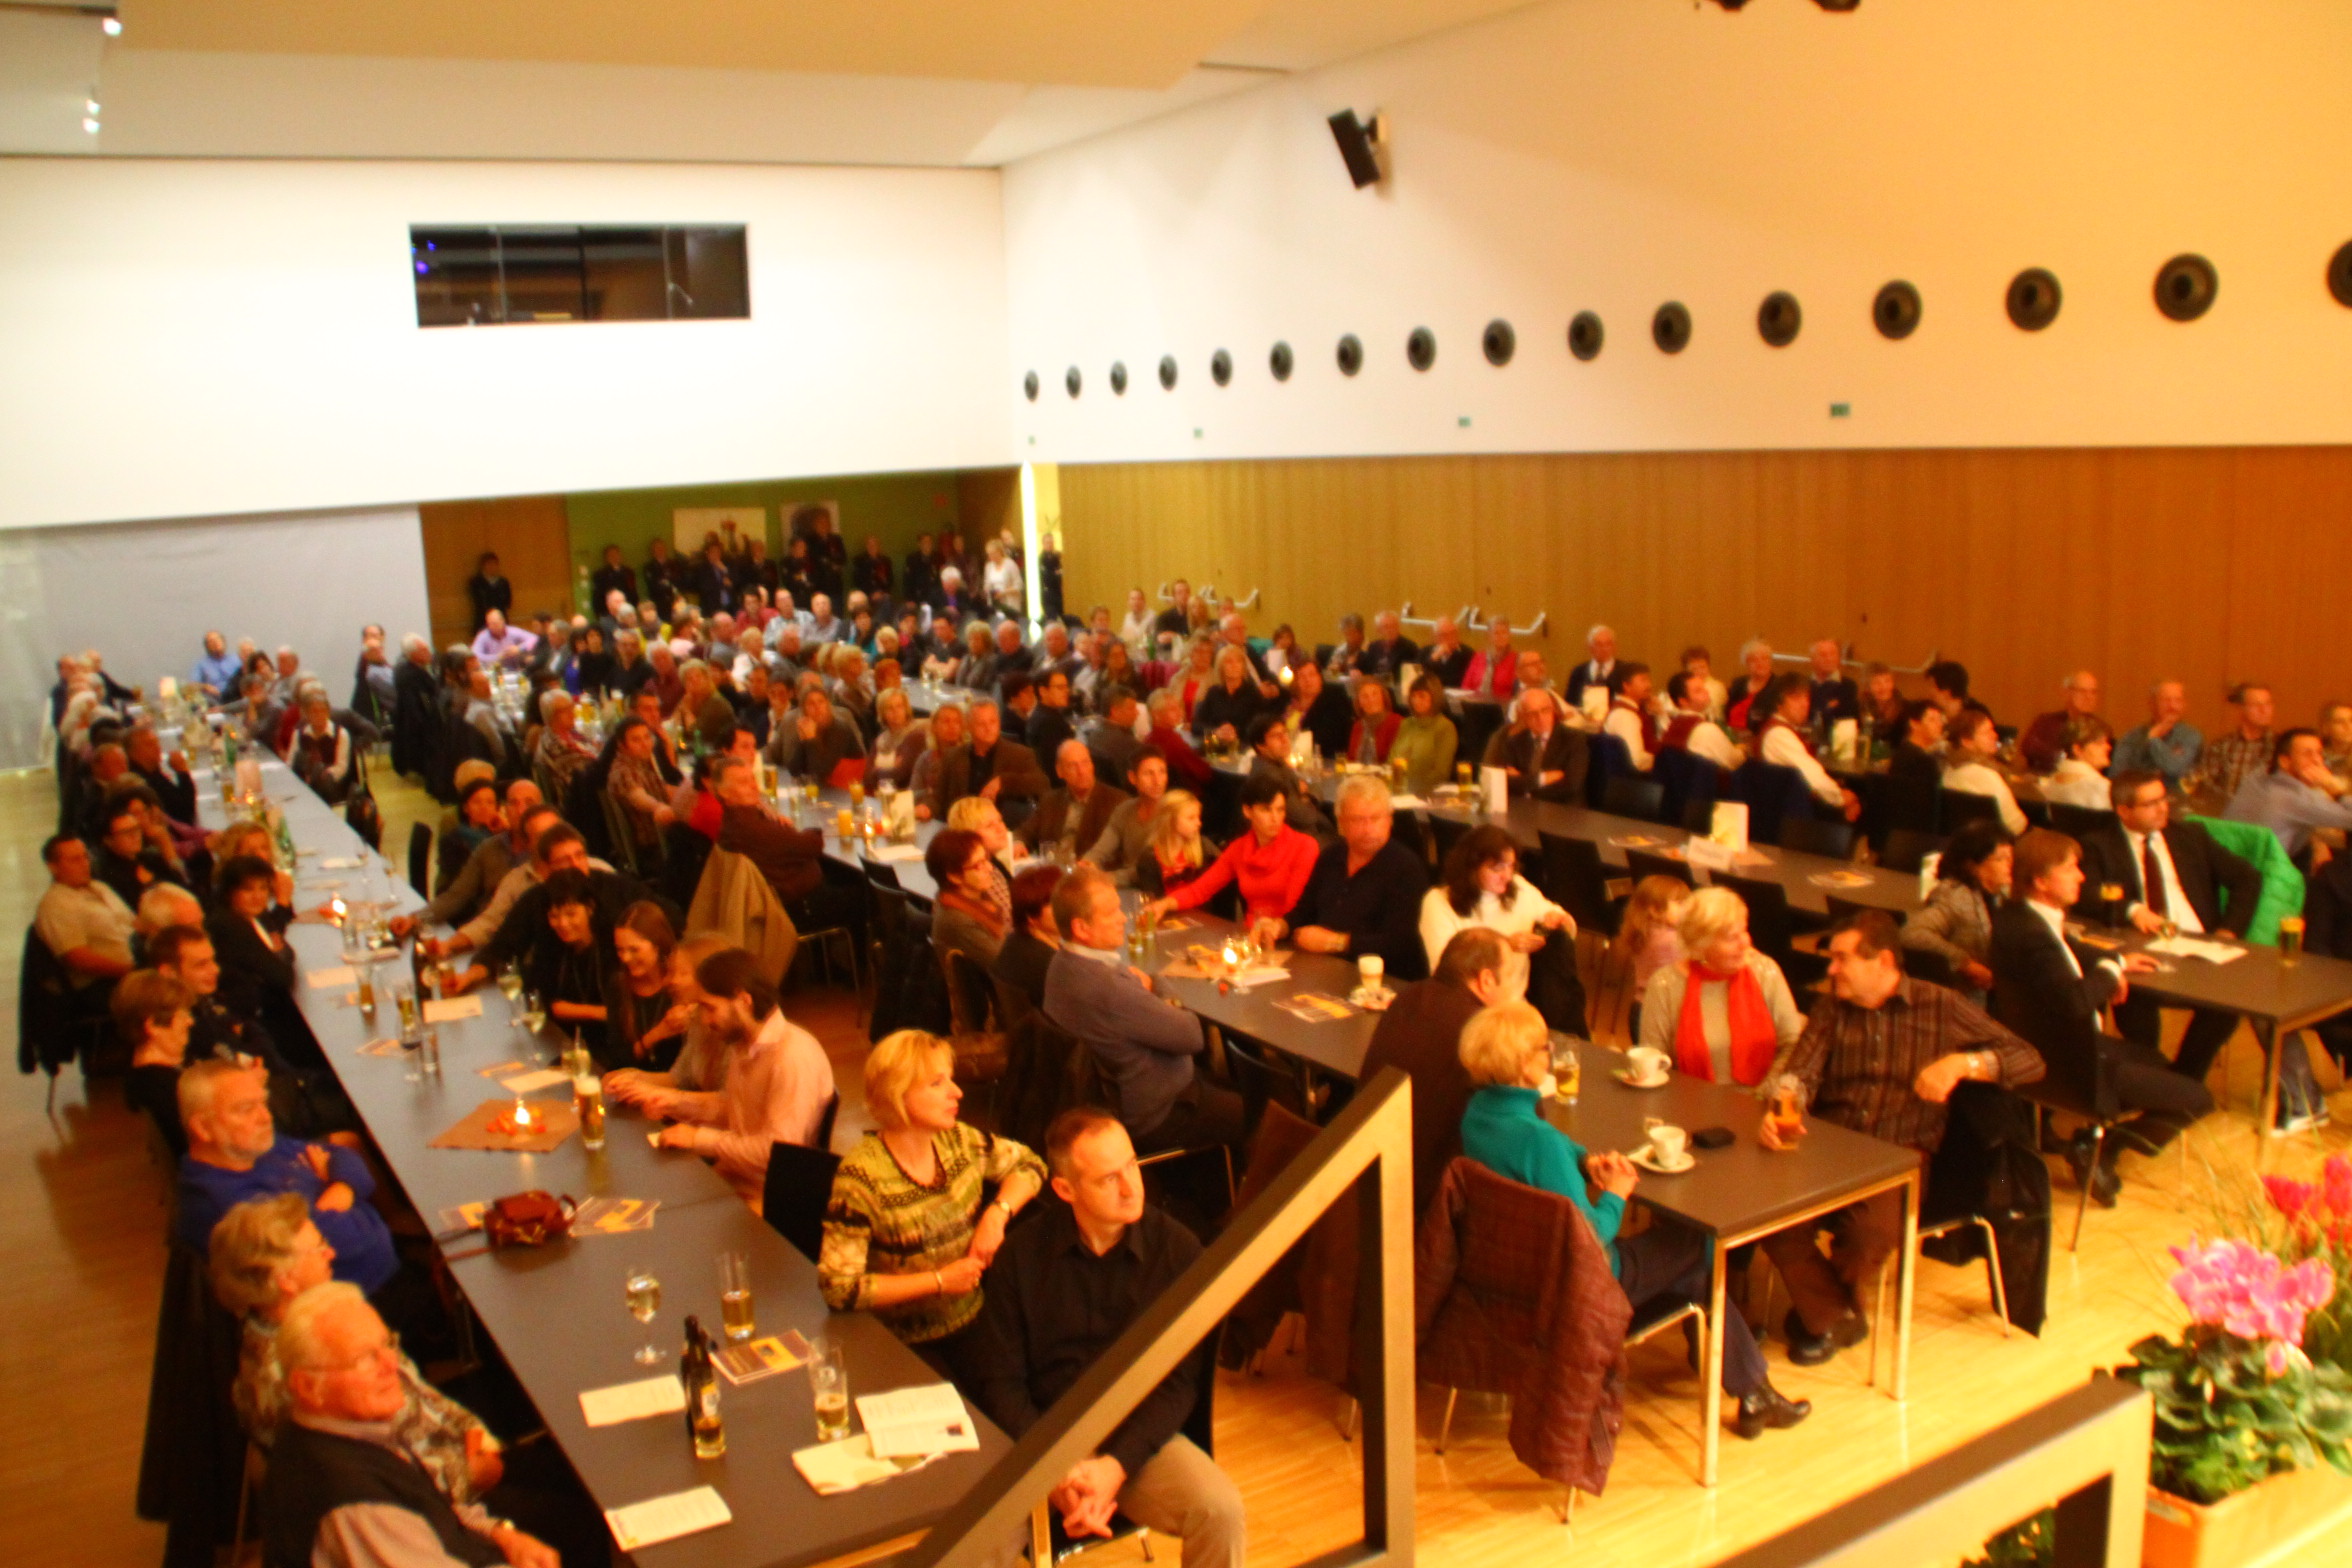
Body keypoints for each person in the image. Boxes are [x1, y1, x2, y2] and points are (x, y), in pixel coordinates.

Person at [1457, 1002, 1810, 1438]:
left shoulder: (1478, 1116)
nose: (1549, 1053)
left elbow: (1541, 1152)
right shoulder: (1537, 1140)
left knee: (1689, 1271)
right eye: (1543, 1047)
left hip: (1514, 1280)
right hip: (1578, 1284)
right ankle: (1742, 1377)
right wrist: (1616, 1194)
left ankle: (1746, 1382)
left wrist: (1584, 1161)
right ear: (1521, 1064)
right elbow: (1591, 1235)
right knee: (1698, 1247)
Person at [964, 1107, 1245, 1568]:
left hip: (1133, 1439)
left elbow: (1178, 1384)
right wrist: (1053, 1470)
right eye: (1109, 1178)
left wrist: (1115, 1468)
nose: (1132, 1187)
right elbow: (1001, 1384)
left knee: (1221, 1512)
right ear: (1065, 1190)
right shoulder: (1021, 1257)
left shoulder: (1178, 1252)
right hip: (1037, 1440)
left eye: (1131, 1165)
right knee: (971, 1548)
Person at [1759, 914, 2045, 1364]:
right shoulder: (1832, 1008)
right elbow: (1801, 1073)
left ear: (1883, 961)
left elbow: (2029, 1059)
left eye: (1841, 959)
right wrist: (1783, 1107)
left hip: (1898, 1155)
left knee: (1868, 1236)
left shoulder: (1940, 1006)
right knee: (1771, 1221)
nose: (1831, 969)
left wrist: (1963, 1065)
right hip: (1830, 1145)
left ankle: (1820, 1312)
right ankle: (1833, 1316)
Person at [259, 1283, 564, 1568]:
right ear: (309, 1387)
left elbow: (433, 1511)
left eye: (387, 1344)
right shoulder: (357, 1503)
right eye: (365, 1358)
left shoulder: (339, 1428)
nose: (391, 1365)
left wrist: (501, 1534)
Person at [1991, 830, 2220, 1199]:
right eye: (2070, 869)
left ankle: (2095, 1141)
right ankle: (2103, 1147)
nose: (2082, 877)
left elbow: (2067, 949)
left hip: (2047, 1053)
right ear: (2041, 881)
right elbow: (2075, 1001)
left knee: (2161, 1066)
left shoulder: (2018, 917)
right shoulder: (2033, 936)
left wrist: (2116, 960)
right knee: (2198, 1099)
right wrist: (2111, 974)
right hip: (2073, 1066)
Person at [819, 1029, 1047, 1375]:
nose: (957, 1092)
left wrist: (997, 1214)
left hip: (975, 1321)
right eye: (937, 1083)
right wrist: (938, 1281)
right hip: (903, 1344)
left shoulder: (958, 1140)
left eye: (950, 1079)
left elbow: (1030, 1165)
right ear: (898, 1094)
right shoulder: (861, 1178)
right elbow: (839, 1288)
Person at [1047, 868, 1245, 1155]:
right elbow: (1192, 1036)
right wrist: (1157, 985)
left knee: (1225, 1084)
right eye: (1111, 913)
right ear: (1081, 928)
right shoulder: (1109, 987)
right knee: (1252, 1109)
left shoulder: (1060, 965)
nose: (1123, 918)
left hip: (1107, 1099)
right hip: (1155, 1112)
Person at [174, 1060, 406, 1304]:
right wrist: (335, 1185)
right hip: (357, 1302)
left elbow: (344, 1154)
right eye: (246, 1109)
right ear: (203, 1127)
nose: (265, 1117)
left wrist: (341, 1189)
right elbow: (355, 1238)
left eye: (263, 1103)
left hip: (385, 1265)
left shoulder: (250, 1148)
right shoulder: (229, 1204)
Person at [640, 948, 835, 1205]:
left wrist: (698, 1139)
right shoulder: (744, 1044)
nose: (705, 1019)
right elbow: (736, 1108)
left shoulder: (791, 1057)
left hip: (771, 1195)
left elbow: (778, 1153)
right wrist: (673, 1103)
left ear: (744, 1000)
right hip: (738, 1175)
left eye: (710, 1008)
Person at [1359, 929, 1510, 1215]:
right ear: (1487, 980)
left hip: (1367, 1174)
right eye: (1511, 977)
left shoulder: (1407, 996)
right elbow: (1522, 1115)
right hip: (1429, 1202)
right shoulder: (1480, 1032)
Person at [1268, 775, 1430, 979]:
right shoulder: (1331, 856)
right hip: (1324, 969)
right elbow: (1305, 911)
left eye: (1376, 818)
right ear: (1341, 823)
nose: (1368, 829)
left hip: (1382, 979)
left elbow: (1402, 944)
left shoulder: (1406, 868)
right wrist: (1280, 926)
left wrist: (1336, 942)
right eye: (1357, 820)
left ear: (1390, 820)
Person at [1638, 886, 1804, 1087]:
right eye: (1732, 937)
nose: (1745, 943)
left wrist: (1764, 1094)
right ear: (1701, 945)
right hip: (1689, 1099)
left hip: (1762, 1098)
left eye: (1744, 931)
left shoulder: (1765, 971)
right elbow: (1653, 1061)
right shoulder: (1665, 985)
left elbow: (1793, 1044)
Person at [1417, 821, 1579, 1022]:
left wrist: (1559, 921)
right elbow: (1447, 972)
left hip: (1514, 1007)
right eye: (1497, 869)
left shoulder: (1519, 888)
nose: (1507, 876)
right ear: (1472, 868)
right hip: (1464, 1010)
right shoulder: (1438, 903)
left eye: (1511, 866)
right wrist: (1506, 946)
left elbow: (1562, 920)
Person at [1144, 773, 1317, 931]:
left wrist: (1274, 929)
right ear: (1247, 811)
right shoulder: (1239, 848)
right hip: (1251, 933)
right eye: (1266, 809)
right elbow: (1200, 890)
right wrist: (1164, 904)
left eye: (1280, 809)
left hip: (1286, 934)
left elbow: (1295, 910)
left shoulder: (1304, 846)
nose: (1275, 818)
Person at [1897, 819, 2012, 998]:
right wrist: (1965, 963)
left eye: (2012, 857)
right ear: (1973, 865)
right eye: (2001, 859)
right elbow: (1913, 933)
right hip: (1967, 998)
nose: (2010, 865)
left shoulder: (2002, 894)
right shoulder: (1956, 897)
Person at [2226, 728, 2352, 864]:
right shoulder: (2297, 797)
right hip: (2263, 872)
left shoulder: (2257, 775)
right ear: (2284, 761)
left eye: (2319, 753)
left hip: (2226, 865)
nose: (2317, 761)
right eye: (2307, 754)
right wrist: (2336, 791)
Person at [36, 833, 137, 998]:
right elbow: (77, 958)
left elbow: (134, 923)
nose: (85, 864)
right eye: (75, 860)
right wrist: (131, 971)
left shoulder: (100, 887)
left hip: (135, 965)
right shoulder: (56, 904)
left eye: (86, 857)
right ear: (53, 867)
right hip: (104, 983)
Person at [926, 699, 1048, 830]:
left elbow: (1041, 784)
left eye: (992, 722)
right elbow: (938, 798)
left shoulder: (1018, 754)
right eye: (981, 724)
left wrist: (1003, 781)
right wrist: (926, 808)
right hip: (962, 830)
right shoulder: (953, 756)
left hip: (1002, 829)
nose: (988, 728)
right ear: (969, 727)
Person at [118, 969, 199, 1156]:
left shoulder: (151, 1070)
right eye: (182, 1015)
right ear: (153, 1026)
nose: (190, 1021)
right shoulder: (160, 1085)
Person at [1755, 675, 1860, 818]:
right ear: (1778, 704)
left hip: (1787, 807)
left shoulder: (1782, 729)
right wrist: (1841, 798)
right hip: (1788, 816)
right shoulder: (1779, 734)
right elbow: (1813, 776)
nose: (1804, 704)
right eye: (1796, 698)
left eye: (1806, 698)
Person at [1605, 876, 1687, 1040]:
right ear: (1655, 910)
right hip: (1658, 1014)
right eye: (1680, 904)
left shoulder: (1646, 932)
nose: (1687, 909)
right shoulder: (1670, 941)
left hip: (1640, 1007)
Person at [1023, 740, 1129, 864]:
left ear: (1092, 765)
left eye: (1085, 763)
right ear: (1060, 771)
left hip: (1090, 869)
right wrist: (1018, 843)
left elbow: (1121, 852)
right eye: (1072, 766)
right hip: (1052, 867)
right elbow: (1025, 831)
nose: (1081, 771)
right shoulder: (1051, 800)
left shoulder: (1117, 801)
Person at [1483, 686, 1587, 803]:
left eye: (1545, 710)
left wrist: (1525, 786)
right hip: (1524, 807)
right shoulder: (1515, 742)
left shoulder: (1574, 739)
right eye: (1532, 713)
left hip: (1563, 808)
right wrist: (1542, 779)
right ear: (1523, 717)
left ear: (1553, 710)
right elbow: (1506, 781)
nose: (1540, 718)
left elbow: (1571, 785)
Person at [928, 828, 1011, 972]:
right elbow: (1005, 965)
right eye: (978, 865)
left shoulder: (976, 899)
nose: (990, 868)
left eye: (986, 859)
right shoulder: (958, 919)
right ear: (954, 876)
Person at [1942, 708, 2028, 835]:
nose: (1995, 735)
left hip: (1965, 838)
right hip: (2001, 840)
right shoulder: (1985, 774)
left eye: (1992, 729)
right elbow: (2017, 825)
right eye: (1987, 732)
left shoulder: (1949, 768)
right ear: (1967, 742)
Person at [992, 866, 1065, 1011]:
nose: (1067, 908)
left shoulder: (1015, 941)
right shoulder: (1049, 963)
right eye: (1055, 903)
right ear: (1032, 916)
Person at [2112, 680, 2203, 794]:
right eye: (2166, 700)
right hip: (2141, 798)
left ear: (2184, 705)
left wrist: (2153, 739)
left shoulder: (2191, 736)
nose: (2172, 706)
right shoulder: (2132, 737)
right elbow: (2117, 775)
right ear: (2152, 704)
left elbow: (2175, 768)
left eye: (2178, 701)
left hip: (2179, 799)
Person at [768, 684, 865, 785]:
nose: (817, 707)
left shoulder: (840, 729)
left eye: (821, 702)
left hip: (843, 788)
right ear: (804, 710)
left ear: (827, 705)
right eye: (811, 704)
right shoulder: (808, 727)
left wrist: (811, 740)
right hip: (820, 788)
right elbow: (794, 770)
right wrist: (802, 741)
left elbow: (821, 772)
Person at [2019, 670, 2104, 775]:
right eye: (2082, 691)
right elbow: (2028, 747)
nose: (2089, 697)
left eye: (2093, 692)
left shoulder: (2100, 729)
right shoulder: (2046, 722)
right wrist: (2062, 757)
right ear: (2067, 693)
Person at [1134, 789, 1212, 900]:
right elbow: (1153, 901)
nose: (1199, 823)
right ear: (1170, 820)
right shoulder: (1149, 858)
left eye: (1198, 817)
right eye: (1191, 818)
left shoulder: (1204, 848)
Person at [1658, 671, 1743, 772]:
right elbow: (1734, 762)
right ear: (1683, 701)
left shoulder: (1671, 726)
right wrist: (1743, 750)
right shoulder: (1706, 729)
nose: (1706, 692)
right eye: (1698, 691)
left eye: (1704, 687)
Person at [1390, 674, 1459, 795]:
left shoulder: (1445, 727)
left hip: (1425, 792)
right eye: (1413, 696)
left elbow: (1441, 773)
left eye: (1422, 696)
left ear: (1435, 697)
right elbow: (1392, 760)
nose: (1416, 701)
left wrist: (1412, 790)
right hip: (1397, 789)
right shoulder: (1406, 723)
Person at [1193, 644, 1264, 749]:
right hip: (1216, 744)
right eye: (1229, 662)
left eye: (1238, 661)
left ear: (1243, 666)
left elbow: (1259, 727)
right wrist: (1216, 731)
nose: (1234, 666)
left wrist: (1235, 732)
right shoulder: (1213, 693)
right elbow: (1196, 725)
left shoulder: (1254, 694)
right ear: (1221, 666)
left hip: (1243, 746)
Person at [1282, 660, 1352, 760]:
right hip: (1287, 756)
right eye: (1302, 676)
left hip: (1323, 757)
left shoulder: (1333, 698)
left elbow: (1330, 736)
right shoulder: (1289, 702)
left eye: (1312, 675)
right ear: (1296, 681)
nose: (1307, 680)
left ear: (1320, 677)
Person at [2043, 718, 2116, 809]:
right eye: (2099, 743)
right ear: (2077, 750)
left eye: (2107, 742)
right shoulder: (2100, 787)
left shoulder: (2050, 783)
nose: (2108, 747)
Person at [1600, 662, 1658, 772]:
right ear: (1626, 686)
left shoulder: (1633, 711)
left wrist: (1658, 714)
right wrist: (1664, 761)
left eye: (1648, 680)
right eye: (1643, 680)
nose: (1649, 685)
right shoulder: (1625, 716)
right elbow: (1637, 761)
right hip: (1635, 779)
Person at [1344, 678, 1402, 766]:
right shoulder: (1358, 726)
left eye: (1375, 694)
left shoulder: (1397, 722)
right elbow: (1350, 760)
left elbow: (1397, 760)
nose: (1371, 700)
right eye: (1364, 696)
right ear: (1359, 702)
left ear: (1383, 697)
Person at [1887, 700, 1947, 784]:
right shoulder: (1923, 761)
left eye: (1940, 720)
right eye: (1932, 720)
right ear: (1914, 724)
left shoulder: (1901, 751)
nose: (1939, 724)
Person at [1804, 639, 1858, 731]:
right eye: (1823, 655)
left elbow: (1846, 719)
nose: (1829, 659)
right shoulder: (1803, 685)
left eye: (1833, 654)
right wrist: (1828, 707)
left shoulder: (1848, 686)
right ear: (1812, 659)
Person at [1563, 624, 1619, 710]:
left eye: (1608, 644)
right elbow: (1569, 703)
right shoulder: (1578, 672)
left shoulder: (1624, 671)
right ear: (1590, 647)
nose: (1604, 649)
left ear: (1614, 646)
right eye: (1599, 644)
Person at [1724, 639, 1775, 733]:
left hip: (1760, 738)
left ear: (1770, 661)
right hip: (1731, 734)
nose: (1760, 663)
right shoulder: (1738, 684)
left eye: (1764, 658)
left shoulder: (1778, 687)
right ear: (1746, 663)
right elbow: (1726, 713)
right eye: (1754, 660)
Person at [1460, 618, 1517, 701]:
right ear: (1488, 636)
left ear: (1509, 635)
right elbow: (1466, 685)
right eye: (1496, 633)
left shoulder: (1516, 659)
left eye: (1504, 633)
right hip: (1475, 702)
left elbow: (1516, 691)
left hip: (1501, 704)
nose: (1500, 636)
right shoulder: (1479, 656)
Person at [1360, 610, 1421, 681]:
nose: (1390, 630)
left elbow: (1412, 677)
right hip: (1375, 684)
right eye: (1386, 627)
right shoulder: (1373, 646)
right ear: (1378, 630)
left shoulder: (1409, 648)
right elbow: (1367, 670)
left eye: (1393, 626)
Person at [463, 551, 511, 632]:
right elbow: (478, 601)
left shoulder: (503, 582)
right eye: (489, 564)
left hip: (500, 618)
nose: (492, 567)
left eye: (494, 564)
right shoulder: (476, 582)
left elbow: (508, 602)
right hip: (482, 620)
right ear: (483, 566)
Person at [191, 629, 243, 700]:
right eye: (211, 641)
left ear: (224, 642)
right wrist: (205, 687)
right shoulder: (201, 664)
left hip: (236, 698)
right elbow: (193, 685)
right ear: (207, 646)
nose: (215, 643)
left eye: (218, 639)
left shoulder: (236, 659)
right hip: (215, 699)